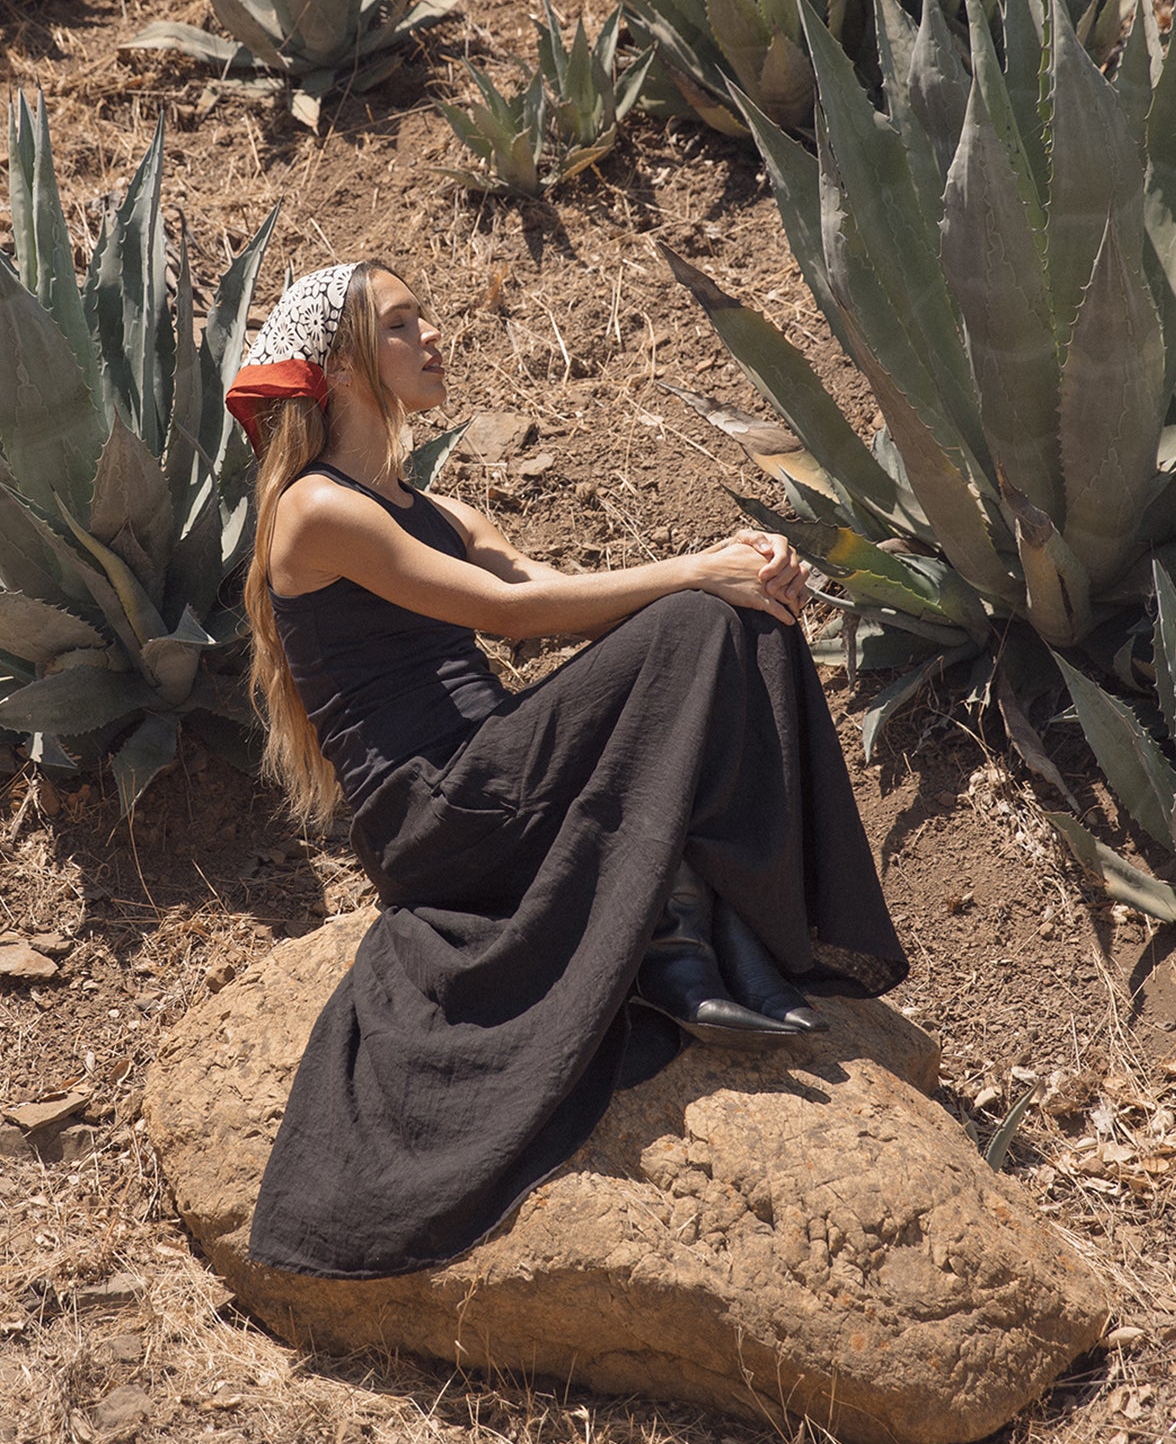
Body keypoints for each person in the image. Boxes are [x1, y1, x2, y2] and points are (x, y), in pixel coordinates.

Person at [227, 260, 907, 1280]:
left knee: (735, 621)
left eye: (426, 312)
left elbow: (553, 594)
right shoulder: (316, 513)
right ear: (345, 367)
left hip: (501, 783)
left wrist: (738, 567)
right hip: (436, 817)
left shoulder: (441, 511)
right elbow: (502, 616)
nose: (433, 334)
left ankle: (725, 927)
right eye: (403, 323)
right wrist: (692, 576)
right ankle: (678, 937)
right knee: (694, 609)